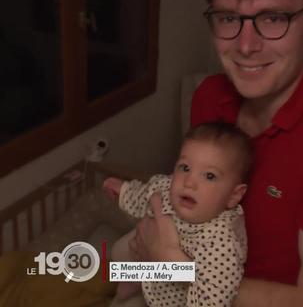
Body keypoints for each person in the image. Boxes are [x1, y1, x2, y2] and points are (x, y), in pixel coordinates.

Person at [126, 0, 303, 307]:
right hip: (173, 275)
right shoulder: (209, 97)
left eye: (273, 18)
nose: (245, 45)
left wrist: (168, 266)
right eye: (229, 18)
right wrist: (150, 254)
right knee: (86, 271)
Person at [103, 122, 252, 307]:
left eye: (210, 176)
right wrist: (123, 191)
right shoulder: (167, 188)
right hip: (150, 276)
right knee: (118, 252)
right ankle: (130, 283)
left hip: (173, 300)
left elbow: (213, 299)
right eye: (185, 168)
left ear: (233, 195)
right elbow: (145, 194)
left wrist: (174, 265)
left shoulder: (221, 243)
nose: (189, 182)